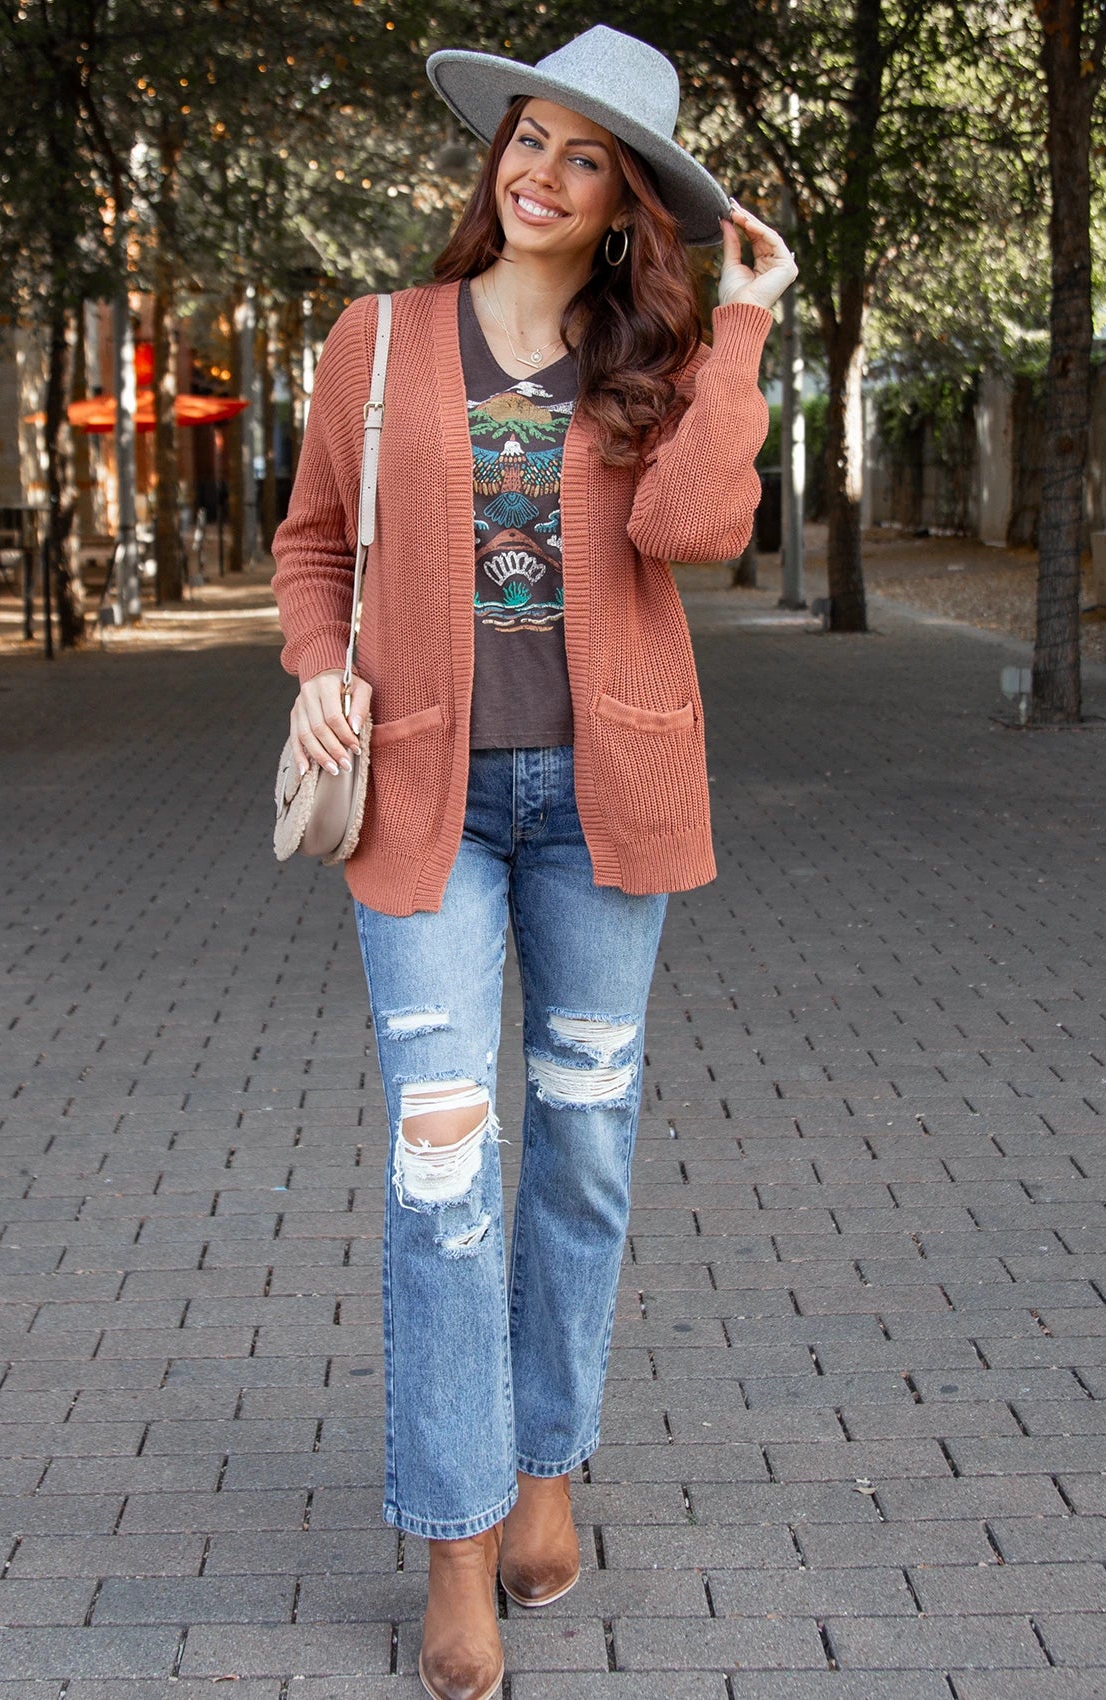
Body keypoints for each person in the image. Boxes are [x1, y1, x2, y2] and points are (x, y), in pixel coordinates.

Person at [270, 24, 796, 1700]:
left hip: (605, 805)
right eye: (528, 139)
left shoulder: (653, 355)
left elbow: (696, 531)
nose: (540, 174)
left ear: (625, 202)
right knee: (443, 1172)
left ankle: (548, 1464)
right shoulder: (380, 340)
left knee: (581, 1152)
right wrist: (316, 666)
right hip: (425, 801)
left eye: (585, 158)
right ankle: (453, 1535)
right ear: (492, 156)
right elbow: (308, 541)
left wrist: (745, 320)